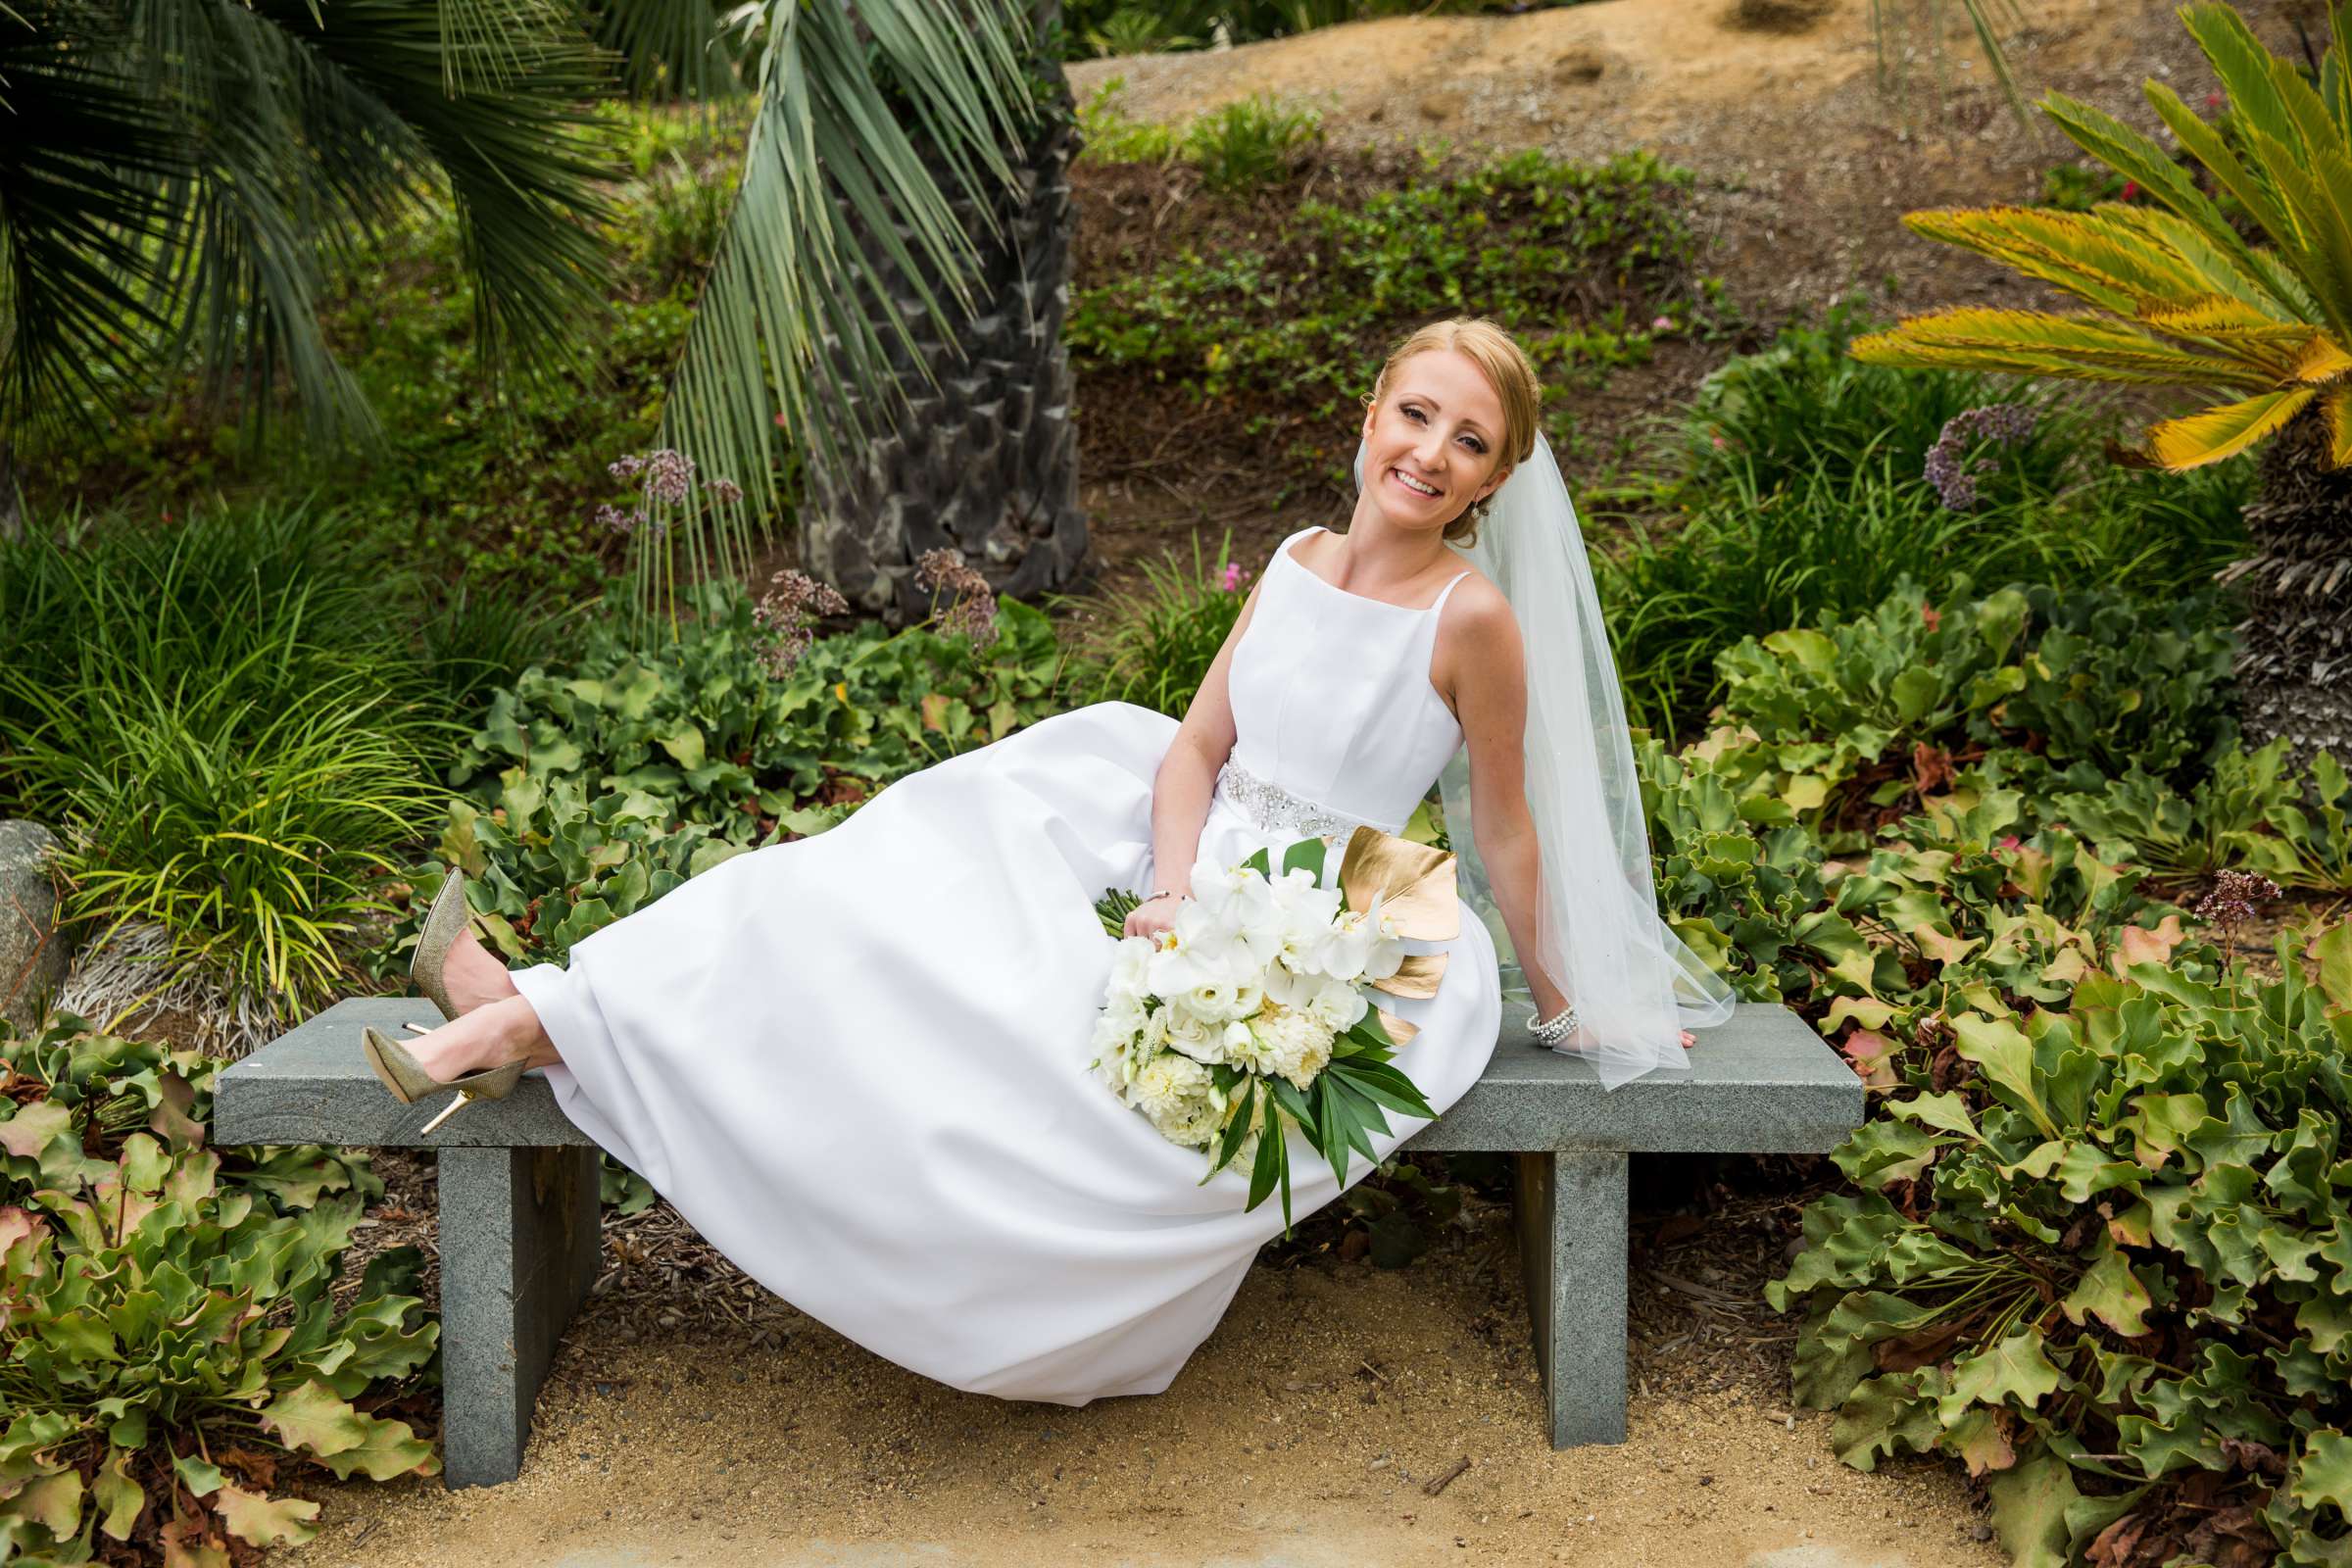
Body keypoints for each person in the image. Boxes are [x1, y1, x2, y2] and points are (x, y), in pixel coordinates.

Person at [361, 315, 1734, 1405]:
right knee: (857, 886)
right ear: (1371, 412)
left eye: (1471, 440)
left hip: (1335, 912)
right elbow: (1195, 748)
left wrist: (1568, 1007)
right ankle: (534, 1009)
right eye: (1416, 413)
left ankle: (519, 1017)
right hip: (1174, 839)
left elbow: (1502, 827)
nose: (1431, 451)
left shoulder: (1473, 617)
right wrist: (1166, 890)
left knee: (1027, 1039)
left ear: (1497, 478)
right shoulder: (1297, 555)